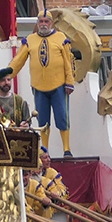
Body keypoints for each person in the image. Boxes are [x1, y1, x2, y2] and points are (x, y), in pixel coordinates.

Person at [8, 9, 75, 157]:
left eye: (46, 21)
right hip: (38, 86)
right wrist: (7, 73)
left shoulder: (61, 38)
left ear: (51, 23)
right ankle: (45, 150)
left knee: (62, 117)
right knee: (42, 119)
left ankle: (66, 148)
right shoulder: (30, 40)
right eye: (41, 21)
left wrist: (70, 82)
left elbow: (67, 61)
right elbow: (19, 60)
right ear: (37, 23)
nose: (43, 24)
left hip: (59, 85)